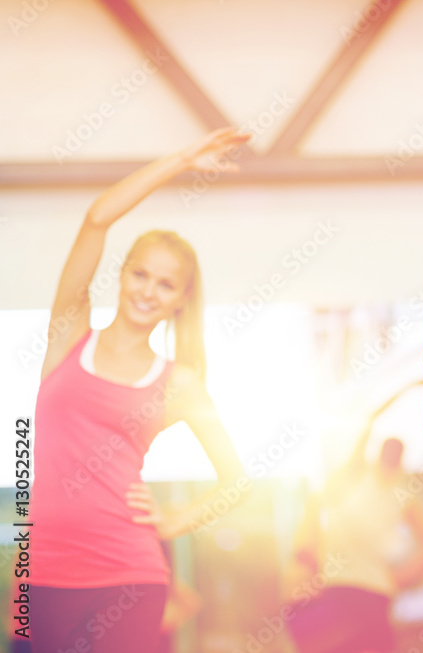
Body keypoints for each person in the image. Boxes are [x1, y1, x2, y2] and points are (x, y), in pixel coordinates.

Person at [30, 128, 251, 652]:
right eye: (140, 274)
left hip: (129, 573)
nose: (148, 290)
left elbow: (237, 481)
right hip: (45, 568)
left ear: (180, 300)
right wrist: (180, 159)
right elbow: (98, 218)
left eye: (166, 283)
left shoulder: (178, 382)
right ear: (122, 275)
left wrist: (175, 521)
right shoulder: (68, 334)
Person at [286, 388, 423, 653]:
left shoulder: (397, 495)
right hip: (356, 598)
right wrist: (399, 393)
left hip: (359, 598)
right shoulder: (360, 480)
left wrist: (400, 578)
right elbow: (366, 427)